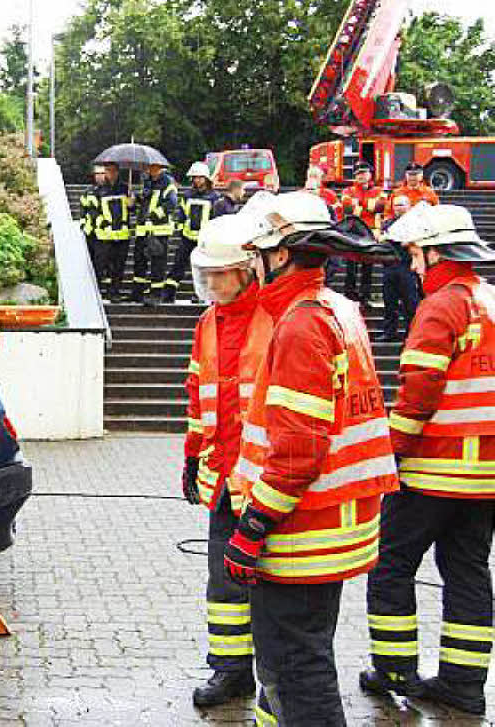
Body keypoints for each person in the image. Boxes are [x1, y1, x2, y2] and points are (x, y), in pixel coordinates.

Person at [225, 191, 399, 724]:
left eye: (257, 254)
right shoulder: (336, 309)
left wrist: (253, 525)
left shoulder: (301, 324)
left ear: (279, 255)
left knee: (296, 670)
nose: (251, 265)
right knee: (295, 665)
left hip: (300, 534)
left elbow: (298, 451)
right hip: (330, 526)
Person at [362, 203, 495, 716]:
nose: (413, 265)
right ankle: (464, 684)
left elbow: (417, 395)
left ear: (437, 251)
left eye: (417, 254)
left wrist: (386, 454)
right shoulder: (488, 299)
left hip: (432, 470)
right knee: (468, 573)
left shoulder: (441, 306)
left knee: (392, 566)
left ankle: (395, 671)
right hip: (484, 477)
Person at [182, 212, 273, 707]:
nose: (212, 283)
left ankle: (273, 675)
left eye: (221, 274)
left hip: (266, 481)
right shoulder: (208, 323)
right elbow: (199, 396)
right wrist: (192, 456)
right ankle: (230, 671)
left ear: (248, 270)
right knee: (223, 582)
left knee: (271, 585)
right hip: (223, 477)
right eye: (207, 275)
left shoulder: (276, 318)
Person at [165, 162, 219, 305]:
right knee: (177, 265)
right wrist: (181, 230)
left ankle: (200, 295)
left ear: (206, 179)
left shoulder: (215, 197)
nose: (197, 180)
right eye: (194, 178)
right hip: (187, 237)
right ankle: (168, 295)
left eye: (200, 178)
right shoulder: (187, 196)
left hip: (205, 240)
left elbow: (216, 218)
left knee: (203, 269)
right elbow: (182, 215)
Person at [340, 162, 388, 306]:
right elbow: (348, 209)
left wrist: (359, 204)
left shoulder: (379, 191)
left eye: (364, 173)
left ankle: (365, 296)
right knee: (351, 265)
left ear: (370, 175)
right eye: (358, 174)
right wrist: (369, 206)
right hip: (352, 231)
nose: (361, 176)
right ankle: (350, 295)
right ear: (355, 176)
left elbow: (381, 206)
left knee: (368, 266)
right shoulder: (347, 191)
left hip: (371, 231)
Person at [135, 160, 180, 304]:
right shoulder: (147, 182)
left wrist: (155, 214)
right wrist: (136, 199)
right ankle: (137, 292)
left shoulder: (168, 183)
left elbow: (172, 203)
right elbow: (144, 201)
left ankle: (156, 294)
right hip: (143, 229)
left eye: (153, 167)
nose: (150, 169)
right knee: (139, 262)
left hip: (159, 230)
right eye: (149, 167)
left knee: (157, 264)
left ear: (160, 168)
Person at [378, 194, 421, 341]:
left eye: (402, 204)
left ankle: (413, 332)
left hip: (407, 266)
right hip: (389, 267)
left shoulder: (416, 223)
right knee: (389, 302)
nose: (399, 208)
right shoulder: (387, 224)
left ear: (409, 206)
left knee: (411, 302)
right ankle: (390, 332)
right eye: (396, 205)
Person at [92, 162, 132, 300]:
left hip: (122, 234)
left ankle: (115, 292)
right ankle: (98, 292)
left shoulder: (125, 189)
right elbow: (94, 212)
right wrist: (102, 224)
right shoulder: (98, 191)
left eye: (113, 171)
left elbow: (131, 210)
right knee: (101, 265)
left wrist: (133, 202)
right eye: (108, 171)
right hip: (105, 235)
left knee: (119, 266)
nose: (111, 174)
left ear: (117, 172)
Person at [78, 165, 105, 269]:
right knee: (90, 262)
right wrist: (83, 225)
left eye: (102, 173)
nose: (99, 176)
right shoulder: (88, 191)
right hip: (90, 232)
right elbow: (82, 210)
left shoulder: (109, 191)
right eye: (97, 174)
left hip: (104, 232)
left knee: (101, 262)